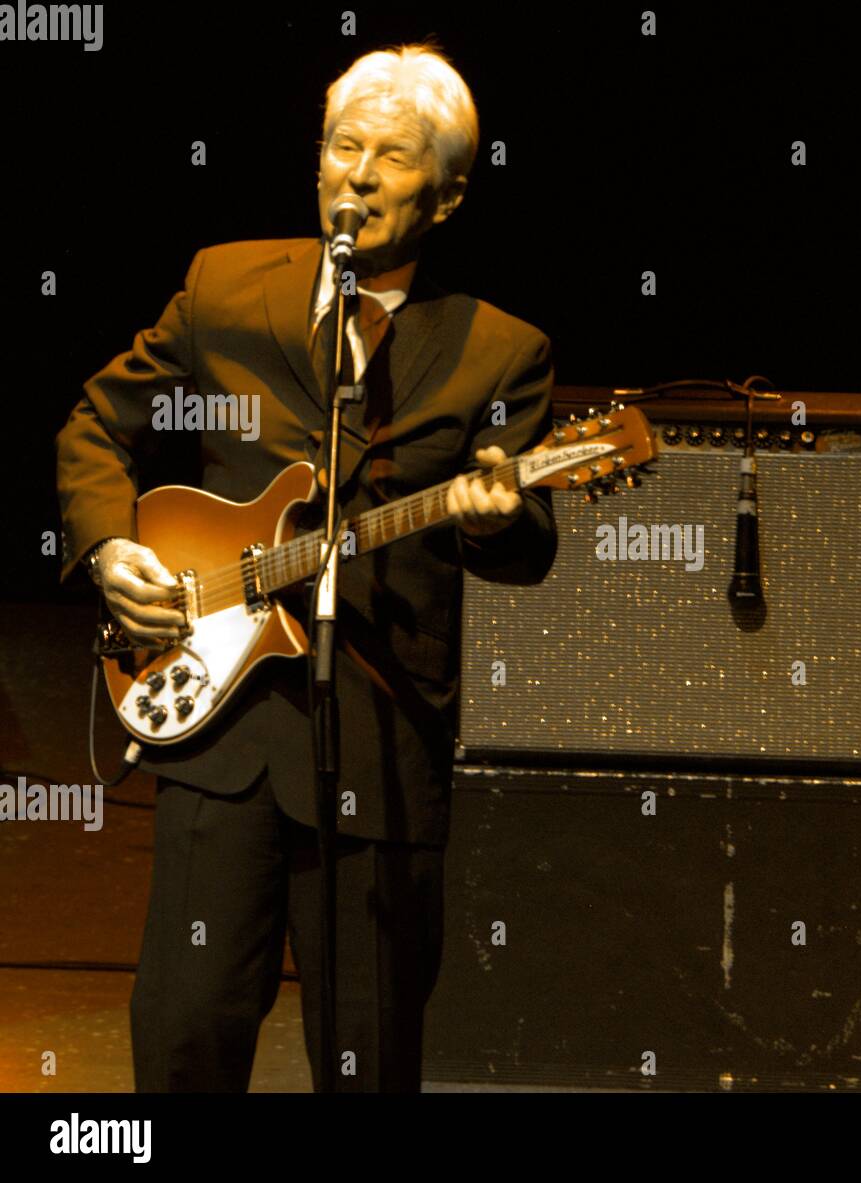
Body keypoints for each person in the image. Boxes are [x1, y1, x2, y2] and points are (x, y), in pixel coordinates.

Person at [54, 43, 558, 1092]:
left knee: (368, 1055)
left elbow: (525, 546)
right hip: (217, 726)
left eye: (392, 157)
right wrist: (110, 547)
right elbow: (98, 424)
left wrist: (486, 516)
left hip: (378, 738)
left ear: (448, 192)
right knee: (185, 1033)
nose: (359, 176)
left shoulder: (497, 351)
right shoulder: (227, 284)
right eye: (342, 146)